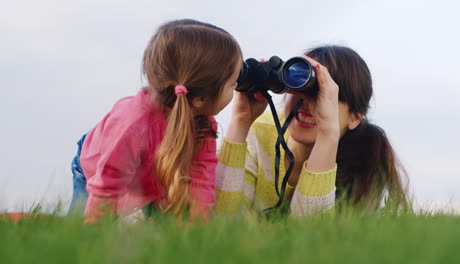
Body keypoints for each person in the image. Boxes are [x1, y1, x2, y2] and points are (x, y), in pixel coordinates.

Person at [68, 19, 243, 222]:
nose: (237, 87)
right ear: (200, 99)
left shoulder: (204, 125)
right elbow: (106, 186)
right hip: (98, 171)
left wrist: (197, 235)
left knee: (168, 236)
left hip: (157, 175)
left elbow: (200, 186)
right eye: (233, 84)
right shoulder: (132, 124)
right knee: (82, 231)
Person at [215, 45, 409, 218]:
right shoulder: (260, 133)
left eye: (322, 96)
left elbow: (309, 236)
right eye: (299, 89)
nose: (306, 105)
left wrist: (328, 134)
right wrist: (240, 121)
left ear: (355, 117)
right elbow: (221, 222)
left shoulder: (362, 164)